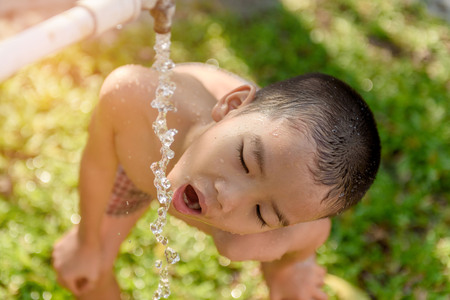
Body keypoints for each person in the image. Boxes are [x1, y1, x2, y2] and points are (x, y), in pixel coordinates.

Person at [52, 62, 381, 300]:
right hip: (149, 149)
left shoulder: (246, 234)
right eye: (244, 161)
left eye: (262, 213)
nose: (230, 199)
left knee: (240, 242)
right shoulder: (137, 103)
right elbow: (98, 163)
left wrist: (286, 273)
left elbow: (313, 231)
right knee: (85, 274)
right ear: (232, 106)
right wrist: (86, 242)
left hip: (268, 155)